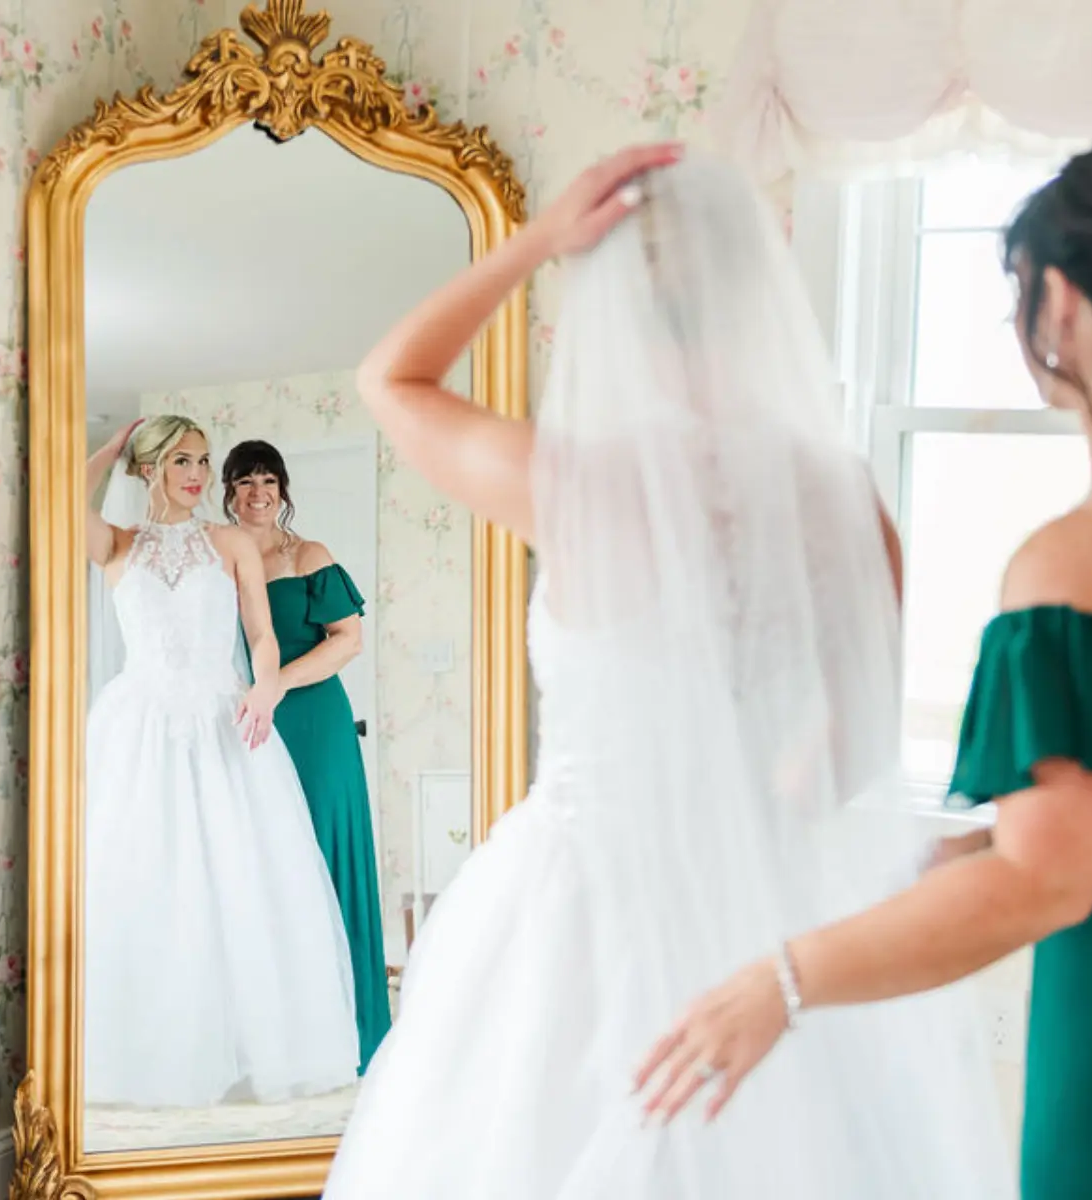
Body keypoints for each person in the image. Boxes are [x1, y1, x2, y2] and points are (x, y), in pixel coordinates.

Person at [638, 132, 1092, 1198]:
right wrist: (984, 836)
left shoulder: (1076, 562)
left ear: (1058, 303)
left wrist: (781, 981)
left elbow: (1042, 886)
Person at [322, 146, 1014, 1198]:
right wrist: (756, 823)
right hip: (764, 910)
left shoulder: (573, 481)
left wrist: (537, 240)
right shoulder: (842, 499)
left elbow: (390, 379)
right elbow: (860, 743)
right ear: (754, 293)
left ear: (615, 312)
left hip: (573, 911)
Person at [79, 414, 359, 1108]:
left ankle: (252, 1050)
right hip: (142, 729)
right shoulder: (116, 544)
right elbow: (62, 506)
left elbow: (261, 635)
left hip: (222, 719)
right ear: (149, 468)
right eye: (182, 460)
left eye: (203, 461)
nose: (198, 474)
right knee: (150, 879)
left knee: (239, 879)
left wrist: (265, 688)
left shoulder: (229, 542)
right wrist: (108, 451)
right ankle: (157, 1050)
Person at [222, 439, 393, 1072]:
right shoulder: (217, 559)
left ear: (283, 490)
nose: (258, 493)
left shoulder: (309, 556)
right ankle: (269, 1032)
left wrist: (276, 685)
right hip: (245, 726)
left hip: (315, 724)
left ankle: (345, 1026)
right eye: (245, 482)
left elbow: (348, 640)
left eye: (268, 481)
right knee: (258, 866)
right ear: (229, 493)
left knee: (320, 855)